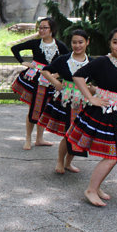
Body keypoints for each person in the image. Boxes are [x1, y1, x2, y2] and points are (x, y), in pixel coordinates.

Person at [66, 27, 117, 207]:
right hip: (104, 114)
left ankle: (96, 186)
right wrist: (90, 98)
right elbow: (78, 76)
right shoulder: (102, 62)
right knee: (113, 154)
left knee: (112, 153)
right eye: (115, 42)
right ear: (110, 43)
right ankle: (91, 189)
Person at [38, 29, 94, 173]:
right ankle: (59, 162)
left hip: (85, 102)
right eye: (74, 42)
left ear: (87, 42)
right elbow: (45, 70)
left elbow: (101, 80)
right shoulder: (64, 59)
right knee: (69, 133)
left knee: (79, 134)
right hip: (67, 101)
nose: (77, 45)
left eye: (81, 42)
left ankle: (68, 163)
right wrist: (55, 83)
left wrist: (93, 89)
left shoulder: (93, 63)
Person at [11, 17, 70, 150]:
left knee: (44, 109)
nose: (41, 30)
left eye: (45, 28)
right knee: (33, 108)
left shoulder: (60, 46)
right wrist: (23, 62)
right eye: (40, 28)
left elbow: (69, 60)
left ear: (52, 30)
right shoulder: (35, 43)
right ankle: (28, 138)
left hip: (49, 81)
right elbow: (15, 48)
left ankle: (39, 139)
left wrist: (58, 73)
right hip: (35, 79)